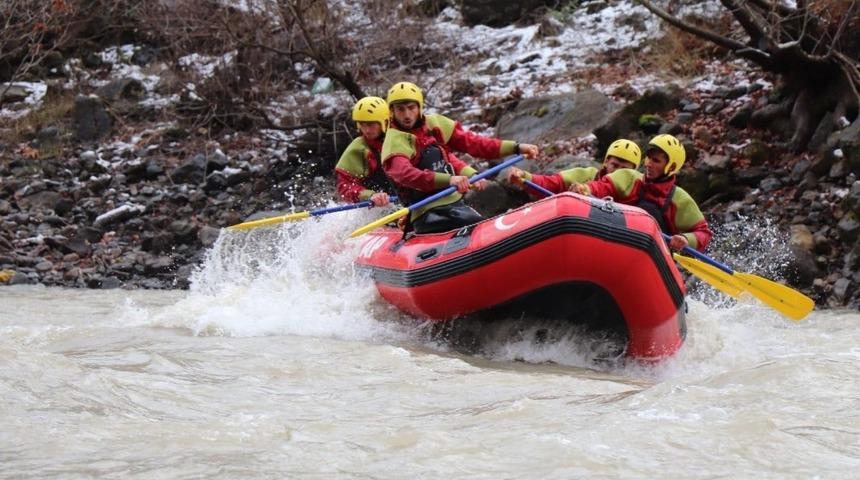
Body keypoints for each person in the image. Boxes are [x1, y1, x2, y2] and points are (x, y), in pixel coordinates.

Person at [381, 81, 539, 234]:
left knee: (479, 223)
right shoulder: (393, 142)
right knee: (473, 224)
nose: (407, 115)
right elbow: (407, 175)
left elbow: (474, 143)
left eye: (411, 108)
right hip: (425, 212)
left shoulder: (434, 124)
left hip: (455, 203)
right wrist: (449, 180)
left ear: (419, 107)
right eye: (400, 109)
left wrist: (516, 147)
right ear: (392, 111)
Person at [570, 134, 713, 252]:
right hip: (614, 241)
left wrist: (686, 239)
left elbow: (703, 233)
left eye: (656, 161)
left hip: (650, 254)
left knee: (649, 210)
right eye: (648, 158)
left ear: (672, 167)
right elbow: (602, 187)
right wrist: (585, 189)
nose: (648, 164)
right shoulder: (628, 177)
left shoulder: (680, 199)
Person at [506, 138, 641, 194]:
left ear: (633, 172)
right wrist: (524, 177)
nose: (617, 172)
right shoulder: (586, 175)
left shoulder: (637, 189)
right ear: (605, 163)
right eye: (614, 165)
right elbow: (553, 183)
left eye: (624, 170)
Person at [334, 96, 395, 206]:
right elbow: (345, 187)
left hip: (407, 202)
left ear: (384, 122)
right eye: (362, 124)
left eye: (371, 124)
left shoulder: (400, 138)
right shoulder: (359, 148)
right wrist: (369, 195)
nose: (366, 130)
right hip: (378, 208)